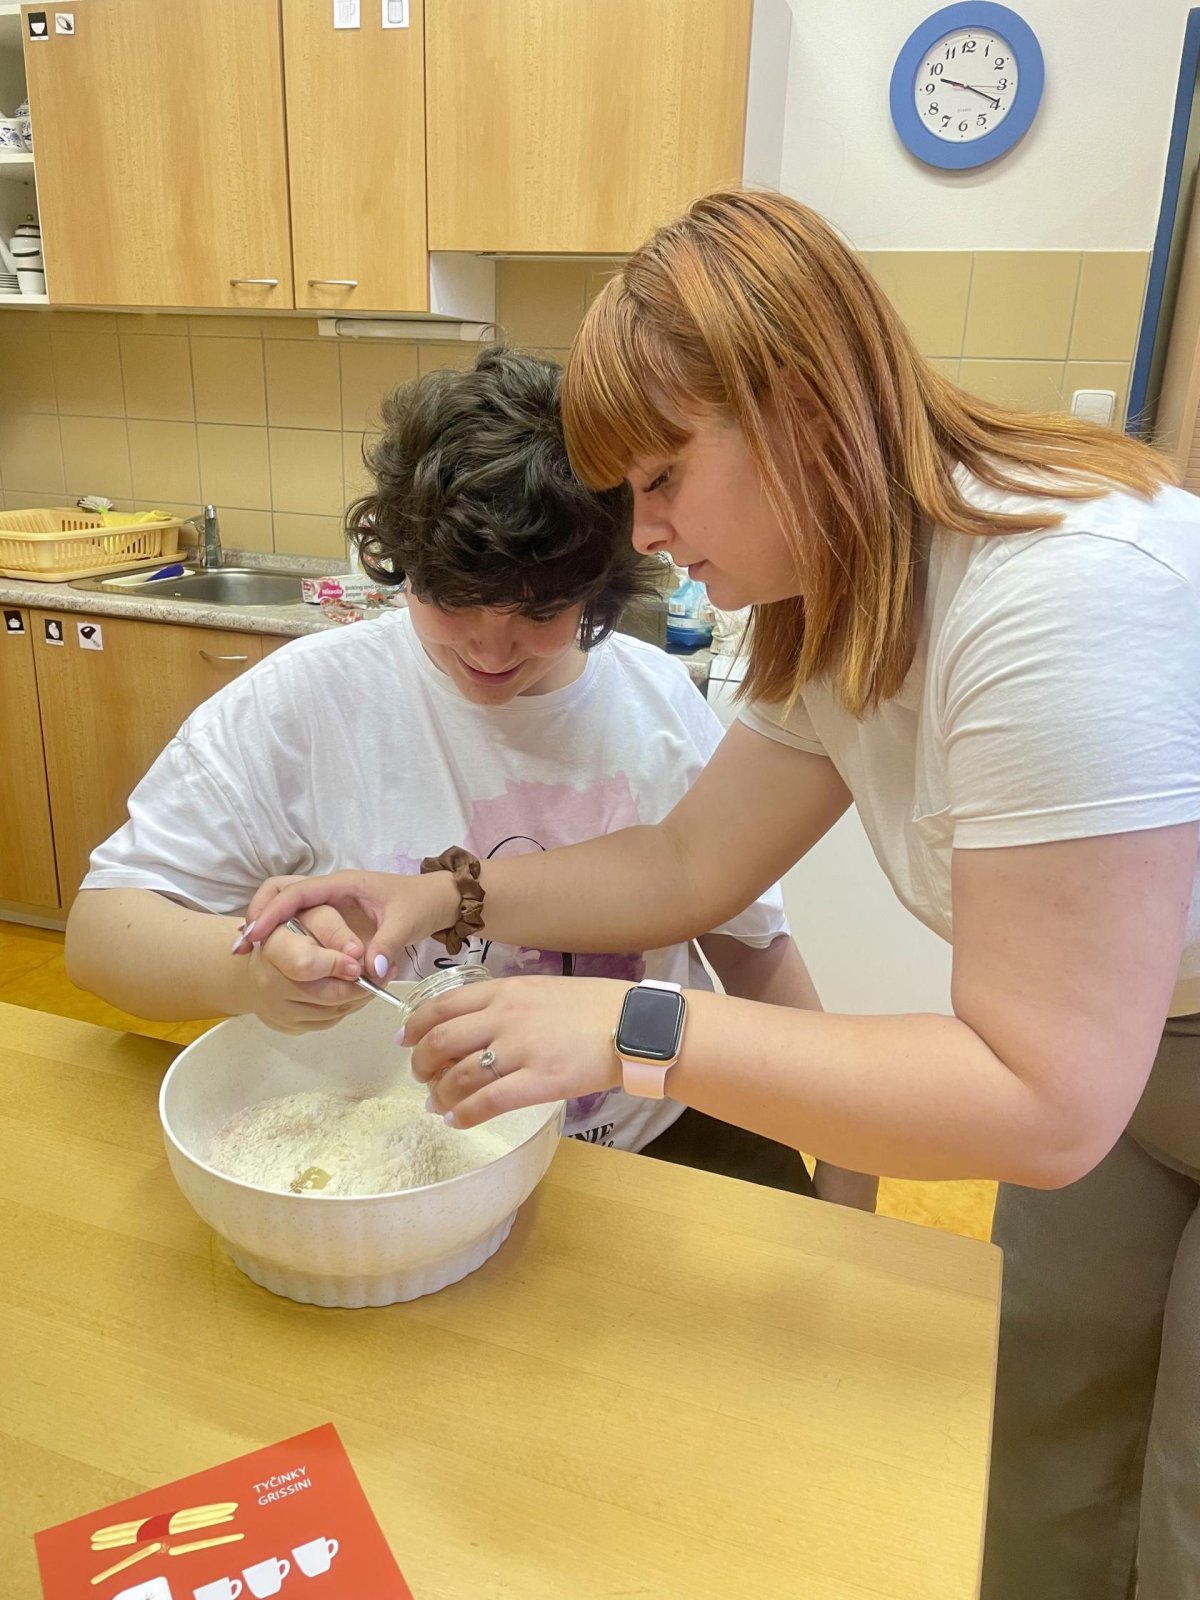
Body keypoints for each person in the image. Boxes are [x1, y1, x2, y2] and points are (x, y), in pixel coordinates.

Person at [240, 191, 1200, 1599]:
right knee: (1040, 1432)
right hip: (1133, 1043)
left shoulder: (1066, 603)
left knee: (1187, 1501)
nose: (644, 532)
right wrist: (442, 895)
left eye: (664, 477)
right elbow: (689, 864)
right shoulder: (844, 596)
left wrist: (634, 1030)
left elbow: (1044, 1100)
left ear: (802, 405)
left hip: (1105, 1061)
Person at [65, 346, 873, 1204]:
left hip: (646, 1143)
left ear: (600, 587)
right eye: (451, 600)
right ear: (401, 563)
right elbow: (100, 933)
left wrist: (847, 1158)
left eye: (539, 610)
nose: (490, 647)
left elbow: (751, 947)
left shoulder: (658, 704)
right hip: (407, 1160)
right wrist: (248, 975)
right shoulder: (306, 701)